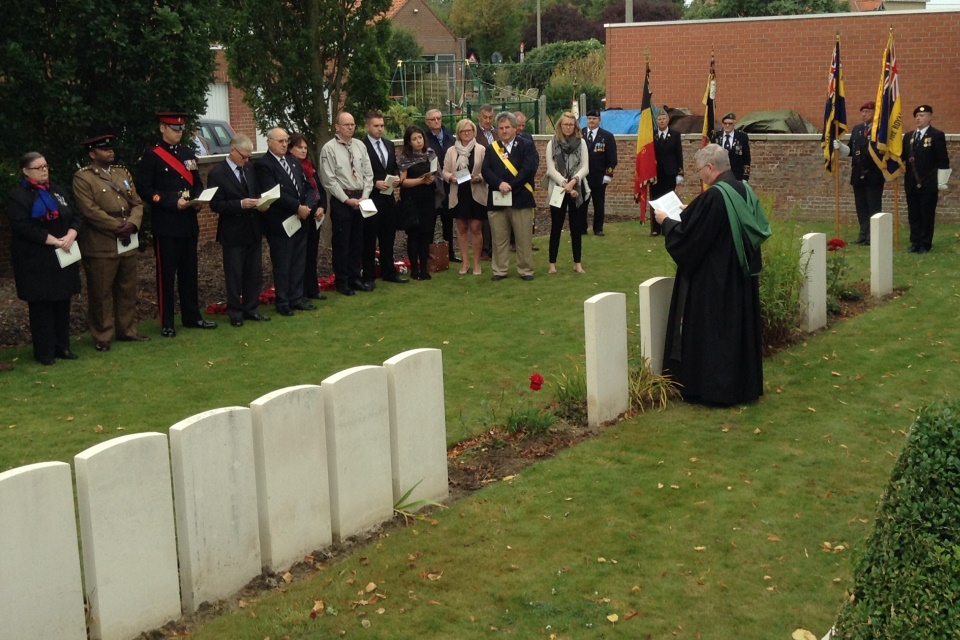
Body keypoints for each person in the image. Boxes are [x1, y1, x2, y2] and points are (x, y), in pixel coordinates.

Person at [653, 144, 770, 406]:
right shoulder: (743, 189)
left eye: (699, 171)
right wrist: (691, 211)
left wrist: (666, 222)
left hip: (716, 280)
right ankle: (743, 386)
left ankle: (717, 390)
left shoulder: (715, 195)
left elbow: (690, 239)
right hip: (740, 275)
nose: (699, 176)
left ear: (710, 167)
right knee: (736, 331)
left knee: (717, 334)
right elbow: (715, 224)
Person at [136, 111, 217, 337]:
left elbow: (196, 182)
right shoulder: (152, 156)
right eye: (174, 129)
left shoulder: (187, 153)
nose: (178, 133)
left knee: (189, 273)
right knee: (166, 275)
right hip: (167, 223)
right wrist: (172, 202)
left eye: (181, 129)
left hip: (188, 222)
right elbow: (146, 189)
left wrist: (198, 200)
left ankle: (192, 316)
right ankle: (167, 321)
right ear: (162, 128)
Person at [72, 133, 148, 351]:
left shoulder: (121, 172)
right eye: (105, 149)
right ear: (92, 154)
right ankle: (102, 334)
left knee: (127, 288)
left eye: (111, 148)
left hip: (127, 238)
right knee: (101, 292)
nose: (110, 152)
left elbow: (137, 203)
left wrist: (133, 224)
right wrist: (117, 227)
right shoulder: (83, 178)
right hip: (101, 241)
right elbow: (89, 210)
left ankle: (127, 330)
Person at [6, 152, 82, 365]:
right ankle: (45, 352)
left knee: (62, 302)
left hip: (62, 254)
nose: (44, 170)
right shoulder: (18, 197)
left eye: (46, 166)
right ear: (25, 171)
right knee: (42, 307)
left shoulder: (58, 191)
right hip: (36, 259)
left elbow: (75, 215)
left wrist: (71, 234)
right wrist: (53, 240)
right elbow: (23, 226)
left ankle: (63, 347)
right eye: (38, 167)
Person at [208, 133, 270, 327]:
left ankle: (251, 308)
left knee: (254, 273)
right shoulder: (217, 173)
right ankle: (235, 311)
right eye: (243, 156)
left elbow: (257, 192)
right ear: (232, 150)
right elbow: (216, 204)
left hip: (253, 228)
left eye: (249, 156)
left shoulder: (249, 169)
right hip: (233, 231)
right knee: (234, 274)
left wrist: (262, 203)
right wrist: (240, 205)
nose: (246, 159)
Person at [255, 127, 315, 315]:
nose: (284, 144)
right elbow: (273, 193)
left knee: (298, 261)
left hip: (300, 219)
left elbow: (307, 186)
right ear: (269, 142)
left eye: (285, 141)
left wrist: (306, 206)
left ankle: (297, 298)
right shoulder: (264, 165)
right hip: (280, 222)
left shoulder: (293, 161)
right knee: (283, 263)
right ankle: (283, 302)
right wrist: (296, 207)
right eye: (280, 141)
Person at [319, 112, 375, 295]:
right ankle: (342, 282)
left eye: (352, 124)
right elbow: (329, 179)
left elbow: (368, 174)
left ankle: (355, 277)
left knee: (358, 242)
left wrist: (365, 196)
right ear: (337, 126)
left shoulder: (360, 146)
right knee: (342, 243)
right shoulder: (329, 149)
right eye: (346, 124)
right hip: (342, 200)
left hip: (361, 199)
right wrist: (345, 199)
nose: (350, 127)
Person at [481, 111, 539, 281]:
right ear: (497, 130)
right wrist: (499, 184)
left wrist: (511, 186)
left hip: (521, 197)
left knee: (523, 238)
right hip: (498, 197)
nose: (504, 131)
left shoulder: (526, 145)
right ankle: (500, 270)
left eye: (507, 127)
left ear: (515, 128)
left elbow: (529, 169)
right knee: (499, 238)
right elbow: (486, 170)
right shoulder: (492, 148)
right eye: (501, 128)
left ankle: (525, 270)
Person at [362, 110, 408, 285]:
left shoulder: (389, 144)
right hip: (370, 198)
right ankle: (368, 276)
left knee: (388, 237)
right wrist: (374, 182)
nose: (380, 129)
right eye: (376, 126)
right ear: (368, 126)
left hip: (388, 198)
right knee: (369, 238)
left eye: (382, 125)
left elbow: (394, 167)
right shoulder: (362, 146)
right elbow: (359, 172)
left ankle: (389, 271)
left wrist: (396, 178)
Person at [834, 101, 884, 245]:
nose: (864, 114)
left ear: (875, 112)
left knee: (873, 207)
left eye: (868, 111)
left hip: (873, 173)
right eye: (862, 112)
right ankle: (863, 234)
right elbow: (851, 150)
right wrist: (841, 147)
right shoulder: (857, 129)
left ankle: (872, 236)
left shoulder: (880, 129)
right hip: (858, 173)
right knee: (861, 207)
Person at [902, 104, 950, 254]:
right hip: (911, 182)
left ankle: (925, 244)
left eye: (922, 115)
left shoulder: (936, 135)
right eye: (916, 116)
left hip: (928, 181)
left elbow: (943, 159)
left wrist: (941, 181)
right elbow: (902, 157)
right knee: (913, 214)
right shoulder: (909, 136)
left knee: (926, 214)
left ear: (930, 117)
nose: (918, 118)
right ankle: (915, 242)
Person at [545, 112, 589, 274]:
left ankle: (577, 263)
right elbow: (550, 169)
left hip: (576, 187)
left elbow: (585, 167)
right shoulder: (552, 143)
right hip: (558, 189)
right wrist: (564, 183)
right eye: (565, 124)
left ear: (575, 126)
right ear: (560, 126)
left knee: (576, 227)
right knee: (556, 227)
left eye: (571, 124)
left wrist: (573, 182)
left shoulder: (582, 143)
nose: (568, 127)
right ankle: (552, 264)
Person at [442, 119, 487, 276]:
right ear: (458, 133)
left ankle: (476, 263)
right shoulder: (451, 151)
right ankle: (465, 262)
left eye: (469, 130)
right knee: (461, 228)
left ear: (474, 131)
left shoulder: (481, 149)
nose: (466, 133)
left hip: (476, 193)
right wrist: (451, 178)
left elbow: (487, 170)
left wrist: (479, 177)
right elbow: (444, 171)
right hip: (459, 193)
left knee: (475, 228)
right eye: (463, 131)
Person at [397, 125, 442, 281]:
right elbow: (402, 182)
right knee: (414, 235)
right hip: (412, 200)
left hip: (428, 200)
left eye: (420, 138)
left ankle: (424, 268)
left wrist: (432, 179)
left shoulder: (430, 154)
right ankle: (414, 269)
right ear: (409, 142)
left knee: (426, 234)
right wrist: (421, 180)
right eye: (414, 139)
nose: (418, 141)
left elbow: (438, 175)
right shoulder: (404, 158)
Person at [288, 132, 328, 299]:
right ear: (291, 149)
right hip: (300, 216)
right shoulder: (291, 166)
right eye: (299, 147)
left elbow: (319, 190)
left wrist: (322, 207)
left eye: (305, 147)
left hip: (315, 216)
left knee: (312, 255)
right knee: (300, 257)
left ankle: (312, 289)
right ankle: (301, 292)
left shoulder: (309, 167)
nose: (303, 151)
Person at [423, 109, 459, 263]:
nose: (436, 121)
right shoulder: (424, 138)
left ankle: (449, 253)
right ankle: (428, 254)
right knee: (430, 220)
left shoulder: (450, 136)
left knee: (448, 220)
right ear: (427, 122)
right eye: (433, 119)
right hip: (433, 185)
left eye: (439, 118)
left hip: (448, 184)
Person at [581, 109, 617, 236]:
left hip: (599, 176)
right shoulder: (580, 133)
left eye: (594, 118)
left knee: (598, 203)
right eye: (589, 118)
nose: (591, 121)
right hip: (583, 177)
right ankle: (582, 228)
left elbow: (612, 158)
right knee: (582, 204)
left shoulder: (607, 136)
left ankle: (598, 228)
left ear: (599, 120)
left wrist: (608, 174)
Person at [650, 106, 684, 237]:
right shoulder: (652, 134)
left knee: (668, 200)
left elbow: (678, 154)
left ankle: (667, 227)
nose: (662, 121)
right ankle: (656, 228)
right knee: (656, 200)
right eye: (659, 119)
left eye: (664, 119)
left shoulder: (675, 134)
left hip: (670, 172)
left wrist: (680, 172)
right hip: (656, 173)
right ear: (656, 121)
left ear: (668, 120)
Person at [712, 112, 751, 181]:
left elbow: (746, 159)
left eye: (730, 124)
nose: (727, 125)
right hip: (720, 175)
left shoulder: (742, 137)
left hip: (737, 175)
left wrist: (745, 177)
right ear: (722, 124)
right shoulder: (716, 136)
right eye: (725, 123)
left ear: (734, 124)